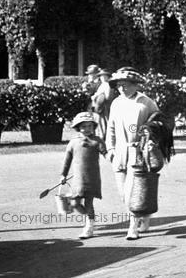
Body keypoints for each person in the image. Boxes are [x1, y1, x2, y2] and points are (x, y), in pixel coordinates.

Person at [106, 67, 159, 240]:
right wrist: (110, 148)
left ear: (135, 85)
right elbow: (111, 128)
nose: (122, 89)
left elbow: (159, 124)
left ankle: (133, 227)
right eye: (119, 85)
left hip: (139, 152)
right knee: (123, 193)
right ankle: (144, 215)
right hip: (119, 152)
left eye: (126, 85)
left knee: (132, 192)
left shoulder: (146, 103)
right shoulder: (116, 103)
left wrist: (151, 139)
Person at [60, 111, 107, 239]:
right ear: (78, 128)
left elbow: (106, 153)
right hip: (78, 179)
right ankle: (89, 219)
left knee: (89, 203)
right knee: (75, 203)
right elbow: (67, 159)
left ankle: (89, 226)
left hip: (92, 178)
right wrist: (63, 174)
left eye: (89, 126)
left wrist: (114, 158)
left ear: (93, 127)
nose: (87, 129)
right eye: (84, 126)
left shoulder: (97, 141)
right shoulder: (73, 142)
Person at [90, 68, 116, 140]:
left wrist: (98, 96)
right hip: (99, 107)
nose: (103, 78)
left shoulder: (108, 85)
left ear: (108, 77)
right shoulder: (102, 85)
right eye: (101, 76)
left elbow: (108, 97)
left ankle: (104, 138)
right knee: (100, 124)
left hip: (104, 108)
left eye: (105, 76)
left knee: (104, 123)